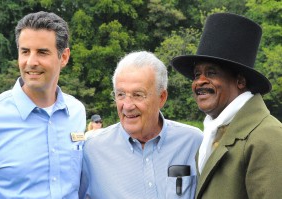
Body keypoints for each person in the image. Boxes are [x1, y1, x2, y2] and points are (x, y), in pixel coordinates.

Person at [171, 13, 282, 199]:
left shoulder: (268, 136)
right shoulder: (216, 132)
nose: (200, 82)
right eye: (197, 74)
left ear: (240, 81)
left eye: (211, 73)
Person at [0, 11, 86, 198]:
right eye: (25, 52)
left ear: (63, 57)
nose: (31, 62)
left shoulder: (76, 112)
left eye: (42, 52)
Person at [79, 51, 203, 199]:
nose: (127, 105)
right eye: (120, 95)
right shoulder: (91, 150)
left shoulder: (194, 143)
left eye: (138, 95)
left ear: (161, 98)